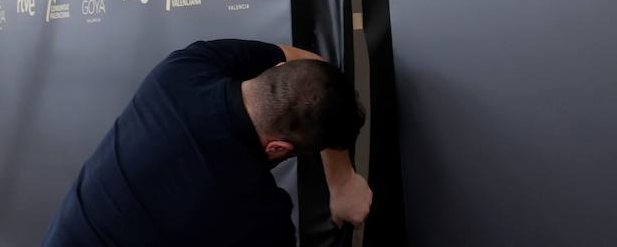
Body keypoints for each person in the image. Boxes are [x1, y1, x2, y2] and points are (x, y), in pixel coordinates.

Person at [41, 39, 373, 247]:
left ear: (276, 68)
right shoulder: (259, 216)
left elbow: (311, 68)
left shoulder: (185, 69)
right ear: (278, 149)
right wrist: (341, 181)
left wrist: (342, 181)